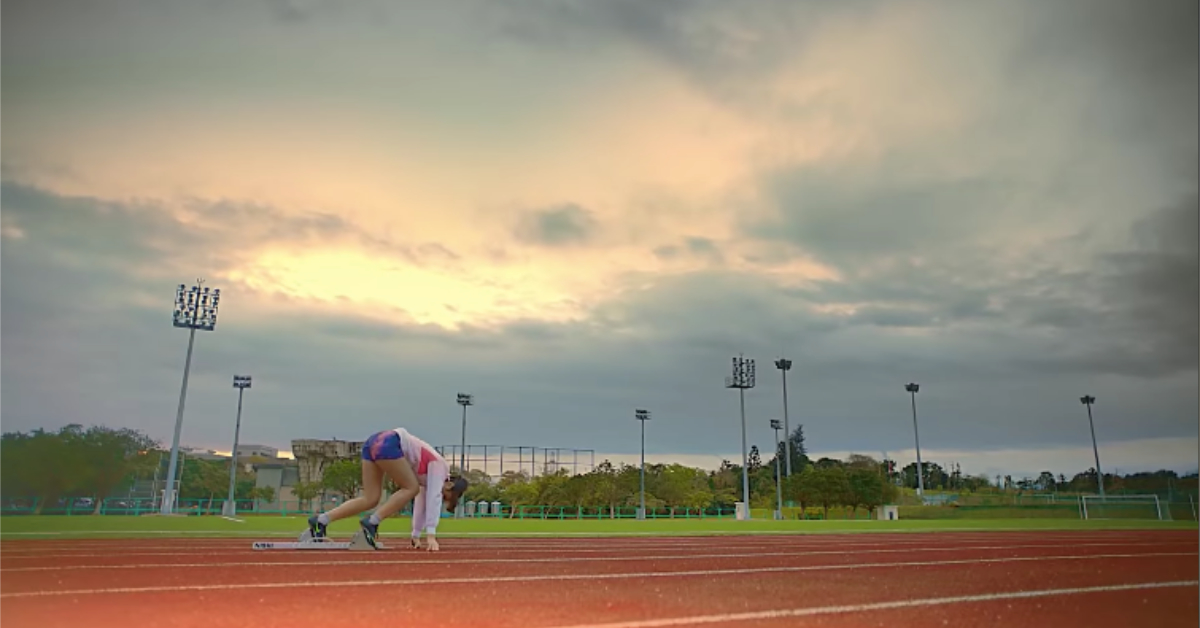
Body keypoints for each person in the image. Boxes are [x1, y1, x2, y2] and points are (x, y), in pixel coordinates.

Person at [306, 427, 468, 550]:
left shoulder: (432, 477)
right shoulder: (440, 468)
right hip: (391, 442)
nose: (442, 494)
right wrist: (431, 536)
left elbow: (421, 503)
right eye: (447, 494)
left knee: (371, 498)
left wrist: (416, 534)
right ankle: (372, 522)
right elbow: (433, 498)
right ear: (449, 484)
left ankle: (320, 521)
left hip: (374, 442)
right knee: (411, 488)